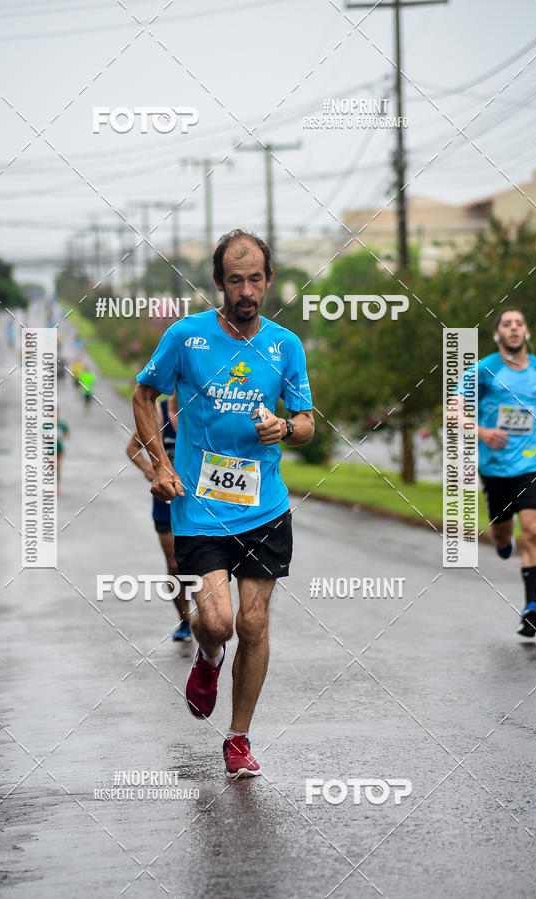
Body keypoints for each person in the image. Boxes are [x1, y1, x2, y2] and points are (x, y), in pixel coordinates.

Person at [133, 229, 314, 777]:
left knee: (254, 622)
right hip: (200, 508)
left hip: (265, 506)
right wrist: (161, 465)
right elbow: (145, 394)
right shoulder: (186, 338)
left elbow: (307, 423)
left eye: (255, 278)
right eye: (235, 280)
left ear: (268, 280)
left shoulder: (285, 345)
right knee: (217, 621)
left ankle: (238, 738)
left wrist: (284, 426)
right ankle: (209, 658)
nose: (246, 290)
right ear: (218, 284)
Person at [460, 307, 536, 638]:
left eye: (519, 324)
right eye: (507, 324)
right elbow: (453, 413)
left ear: (526, 332)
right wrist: (482, 432)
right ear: (498, 335)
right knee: (503, 538)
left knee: (534, 532)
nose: (514, 328)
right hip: (497, 469)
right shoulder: (482, 371)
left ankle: (531, 608)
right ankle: (502, 538)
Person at [127, 392, 192, 641]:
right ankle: (185, 620)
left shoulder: (197, 410)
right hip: (165, 500)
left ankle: (207, 619)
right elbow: (132, 447)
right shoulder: (158, 412)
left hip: (195, 500)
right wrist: (151, 470)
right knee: (175, 565)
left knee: (199, 565)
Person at [57, 414, 69, 493]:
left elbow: (67, 436)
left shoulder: (62, 425)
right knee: (52, 468)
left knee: (58, 466)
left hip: (59, 448)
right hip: (49, 449)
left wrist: (62, 435)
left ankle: (57, 486)